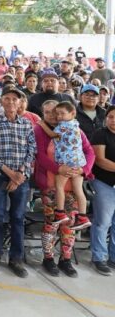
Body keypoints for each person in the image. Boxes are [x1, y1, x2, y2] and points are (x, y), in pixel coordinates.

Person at [34, 100, 95, 277]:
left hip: (72, 185)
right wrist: (58, 169)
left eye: (56, 112)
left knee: (70, 224)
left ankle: (66, 259)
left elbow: (89, 151)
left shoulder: (74, 128)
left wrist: (84, 169)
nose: (54, 116)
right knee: (52, 223)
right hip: (52, 184)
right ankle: (48, 258)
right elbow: (40, 156)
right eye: (48, 112)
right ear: (43, 114)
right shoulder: (40, 130)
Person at [0, 89, 37, 277]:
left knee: (18, 217)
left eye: (15, 99)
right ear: (1, 101)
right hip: (0, 175)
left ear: (20, 102)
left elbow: (32, 151)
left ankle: (16, 258)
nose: (11, 102)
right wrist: (10, 173)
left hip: (21, 177)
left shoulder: (27, 124)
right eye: (7, 98)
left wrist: (20, 174)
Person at [37, 102, 91, 230]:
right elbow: (40, 155)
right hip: (78, 163)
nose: (58, 116)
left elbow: (52, 135)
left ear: (72, 113)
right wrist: (81, 169)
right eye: (57, 113)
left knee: (59, 186)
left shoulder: (63, 126)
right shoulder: (76, 124)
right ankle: (83, 217)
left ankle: (60, 213)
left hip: (68, 163)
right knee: (79, 190)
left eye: (61, 113)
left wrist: (41, 124)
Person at [90, 106, 115, 275]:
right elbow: (100, 160)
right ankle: (99, 257)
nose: (114, 120)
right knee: (102, 222)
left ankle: (113, 257)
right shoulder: (100, 134)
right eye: (111, 116)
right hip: (104, 183)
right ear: (106, 118)